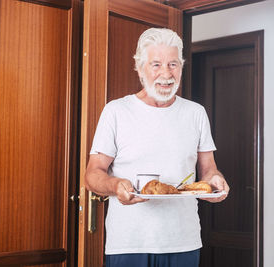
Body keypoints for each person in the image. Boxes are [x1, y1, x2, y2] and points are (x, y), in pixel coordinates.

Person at [84, 28, 230, 267]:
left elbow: (209, 170)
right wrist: (115, 185)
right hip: (129, 243)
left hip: (184, 242)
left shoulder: (196, 113)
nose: (166, 73)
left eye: (173, 64)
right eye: (156, 65)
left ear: (181, 67)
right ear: (140, 69)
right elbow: (92, 174)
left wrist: (216, 182)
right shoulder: (116, 112)